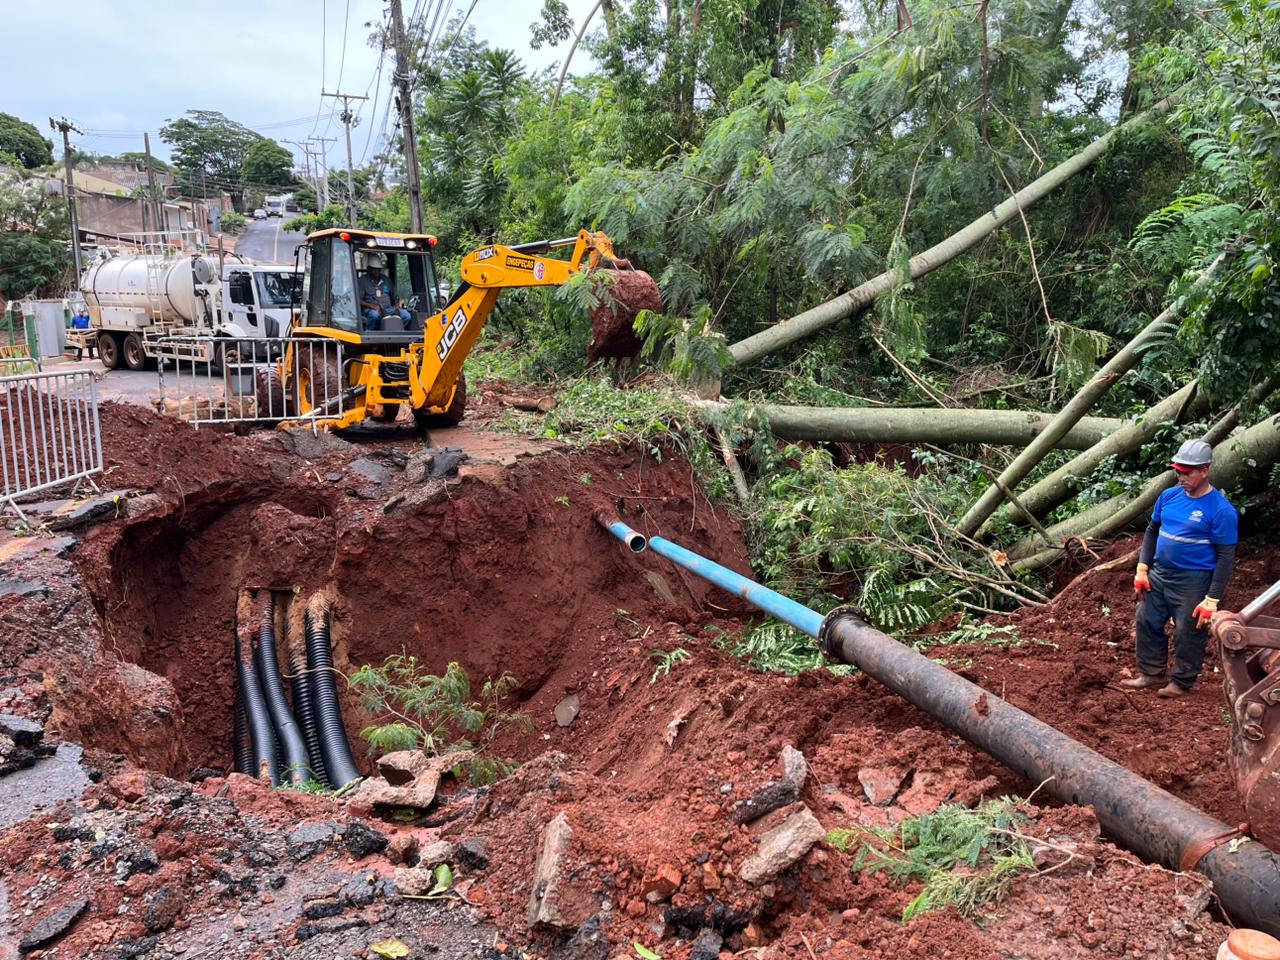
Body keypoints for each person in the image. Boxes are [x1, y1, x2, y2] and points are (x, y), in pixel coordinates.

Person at [1121, 439, 1238, 698]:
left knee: (1188, 629)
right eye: (1178, 470)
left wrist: (1212, 599)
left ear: (1204, 470)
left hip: (1193, 579)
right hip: (1159, 573)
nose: (1181, 476)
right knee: (1146, 619)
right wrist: (1142, 569)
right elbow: (1152, 532)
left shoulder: (1221, 511)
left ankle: (1182, 682)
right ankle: (1151, 674)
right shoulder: (1169, 496)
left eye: (1187, 472)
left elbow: (1226, 557)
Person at [357, 254, 412, 331]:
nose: (376, 271)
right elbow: (358, 300)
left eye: (378, 269)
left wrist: (397, 306)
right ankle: (370, 333)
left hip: (388, 308)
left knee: (406, 316)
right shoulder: (362, 281)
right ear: (368, 268)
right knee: (374, 316)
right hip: (371, 309)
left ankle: (395, 332)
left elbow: (395, 296)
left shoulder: (386, 280)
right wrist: (372, 306)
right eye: (374, 269)